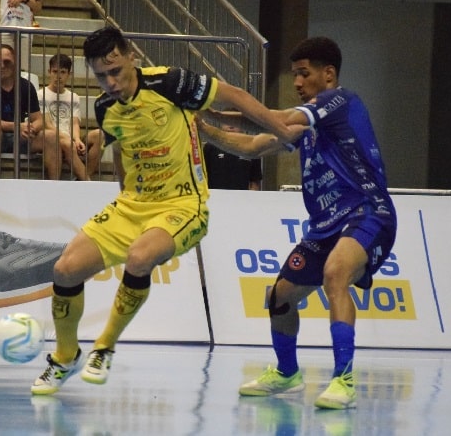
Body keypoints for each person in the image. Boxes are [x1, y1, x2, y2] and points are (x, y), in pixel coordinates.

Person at [30, 26, 300, 396]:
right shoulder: (105, 108)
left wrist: (283, 131)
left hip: (183, 204)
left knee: (140, 258)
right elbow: (123, 149)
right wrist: (124, 195)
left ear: (132, 58)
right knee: (64, 270)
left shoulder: (171, 84)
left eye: (116, 72)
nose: (110, 83)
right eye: (100, 76)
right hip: (132, 205)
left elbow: (234, 95)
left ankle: (104, 346)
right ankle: (64, 356)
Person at [197, 36, 397, 410]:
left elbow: (280, 118)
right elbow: (254, 144)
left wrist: (214, 101)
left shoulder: (341, 100)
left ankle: (344, 380)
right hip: (325, 226)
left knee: (336, 274)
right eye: (295, 76)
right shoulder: (306, 126)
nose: (297, 83)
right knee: (280, 296)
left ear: (329, 74)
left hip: (367, 211)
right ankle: (287, 373)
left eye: (304, 74)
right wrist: (203, 125)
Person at [0, 44, 88, 180]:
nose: (3, 65)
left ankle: (53, 187)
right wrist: (16, 126)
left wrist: (31, 129)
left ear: (15, 61)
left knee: (51, 136)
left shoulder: (26, 86)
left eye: (7, 61)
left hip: (19, 136)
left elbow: (38, 119)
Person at [39, 53, 102, 179]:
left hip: (70, 139)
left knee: (100, 135)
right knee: (66, 143)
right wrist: (68, 139)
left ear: (69, 74)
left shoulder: (74, 97)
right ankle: (88, 183)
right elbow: (47, 125)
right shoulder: (40, 95)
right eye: (55, 71)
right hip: (51, 139)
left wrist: (77, 139)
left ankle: (81, 179)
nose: (58, 76)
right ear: (49, 72)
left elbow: (74, 123)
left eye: (62, 72)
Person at [202, 113, 262, 190]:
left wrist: (252, 198)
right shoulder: (210, 147)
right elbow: (202, 177)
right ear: (221, 123)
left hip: (242, 198)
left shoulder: (252, 148)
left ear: (242, 124)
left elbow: (255, 181)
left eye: (234, 122)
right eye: (226, 121)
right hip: (215, 196)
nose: (231, 126)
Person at [0, 0, 41, 71]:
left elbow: (38, 7)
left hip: (24, 32)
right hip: (4, 30)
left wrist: (23, 0)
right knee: (2, 67)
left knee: (22, 70)